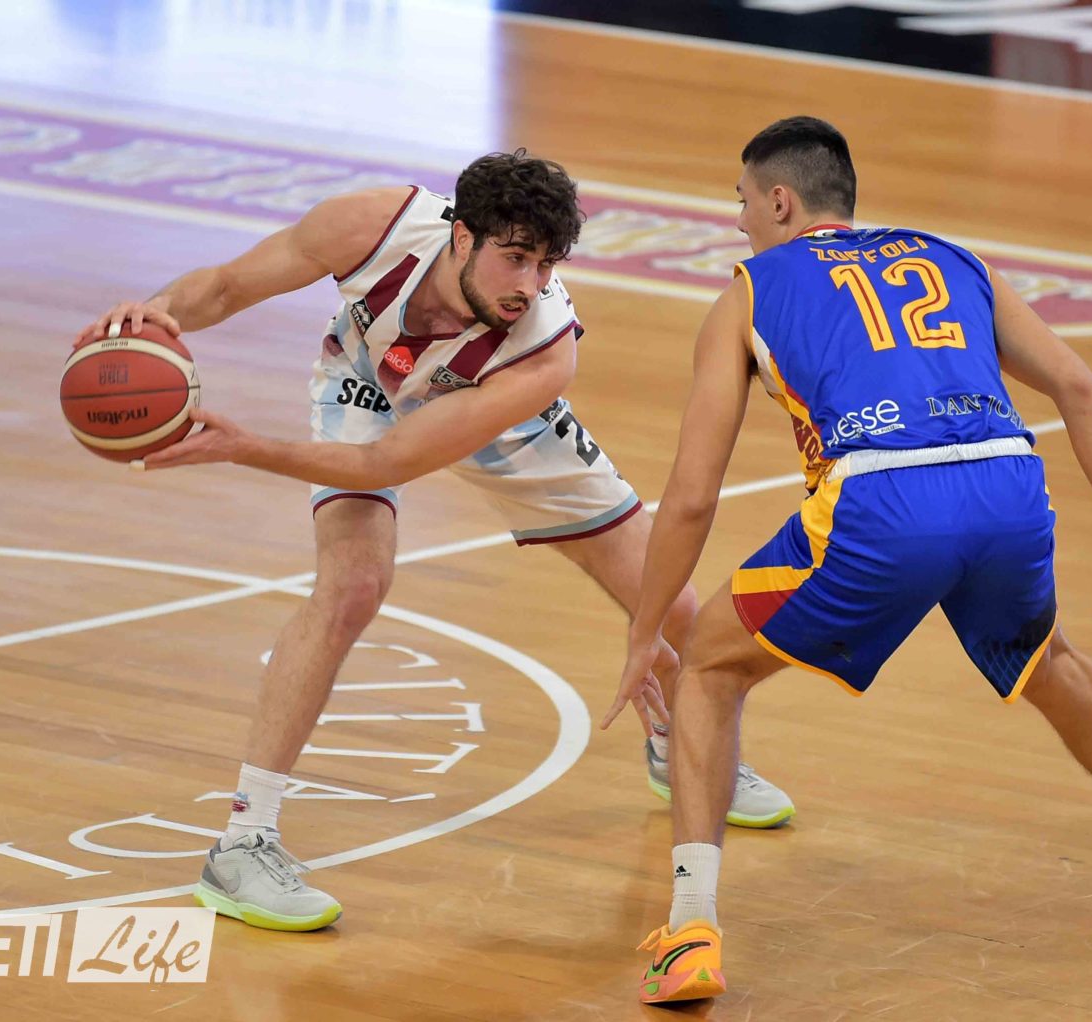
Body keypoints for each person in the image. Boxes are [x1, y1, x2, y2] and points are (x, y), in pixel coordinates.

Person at [603, 117, 1092, 1004]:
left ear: (782, 202)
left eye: (744, 202)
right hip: (1007, 485)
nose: (740, 221)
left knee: (709, 669)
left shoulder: (749, 292)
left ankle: (689, 932)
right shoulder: (954, 257)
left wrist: (646, 631)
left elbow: (689, 496)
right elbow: (1078, 386)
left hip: (880, 503)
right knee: (1051, 662)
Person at [76, 150, 793, 932]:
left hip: (500, 418)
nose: (530, 284)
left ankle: (678, 743)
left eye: (546, 265)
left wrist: (243, 447)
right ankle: (243, 845)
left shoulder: (544, 349)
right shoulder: (369, 226)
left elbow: (387, 466)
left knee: (676, 610)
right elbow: (221, 287)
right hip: (366, 388)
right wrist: (152, 317)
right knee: (352, 586)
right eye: (515, 258)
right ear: (461, 236)